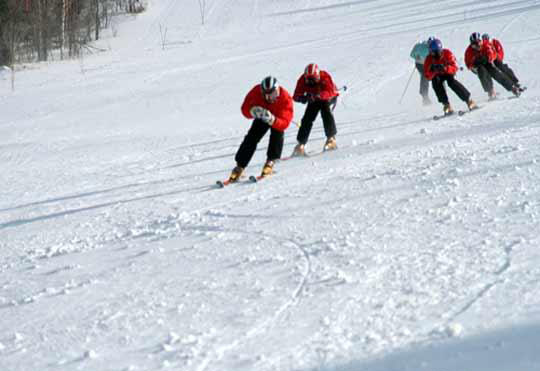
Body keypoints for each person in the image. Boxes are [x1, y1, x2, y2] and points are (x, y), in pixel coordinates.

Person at [228, 76, 294, 182]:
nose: (269, 98)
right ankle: (240, 165)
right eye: (265, 95)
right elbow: (244, 108)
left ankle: (271, 161)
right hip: (262, 116)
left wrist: (273, 120)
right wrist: (252, 111)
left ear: (277, 91)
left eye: (272, 94)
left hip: (276, 118)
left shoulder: (285, 98)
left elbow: (285, 123)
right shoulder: (255, 91)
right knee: (251, 137)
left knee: (277, 134)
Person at [291, 63, 340, 156]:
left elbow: (330, 91)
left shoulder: (324, 76)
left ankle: (331, 138)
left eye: (313, 79)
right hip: (313, 98)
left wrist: (318, 95)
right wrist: (303, 98)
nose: (311, 82)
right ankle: (301, 143)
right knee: (307, 118)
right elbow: (296, 95)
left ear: (317, 76)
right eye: (308, 80)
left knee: (326, 112)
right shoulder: (302, 80)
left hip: (328, 97)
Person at [424, 38, 477, 115]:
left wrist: (445, 68)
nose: (432, 54)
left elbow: (455, 67)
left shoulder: (447, 53)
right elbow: (427, 76)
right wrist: (432, 71)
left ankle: (469, 101)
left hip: (447, 72)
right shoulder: (428, 59)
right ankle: (446, 105)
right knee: (435, 83)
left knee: (452, 82)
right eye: (431, 52)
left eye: (434, 52)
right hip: (437, 75)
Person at [464, 32, 520, 100]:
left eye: (478, 43)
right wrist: (474, 63)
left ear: (481, 41)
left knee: (494, 72)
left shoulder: (486, 44)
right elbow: (468, 64)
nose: (477, 46)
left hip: (487, 62)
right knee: (482, 72)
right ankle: (490, 91)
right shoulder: (469, 51)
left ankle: (512, 87)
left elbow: (493, 54)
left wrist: (488, 58)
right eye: (474, 45)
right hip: (477, 66)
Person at [410, 37, 434, 105]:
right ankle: (425, 96)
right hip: (420, 64)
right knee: (425, 76)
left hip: (429, 64)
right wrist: (416, 56)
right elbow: (412, 54)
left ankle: (443, 92)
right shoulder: (420, 46)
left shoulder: (434, 47)